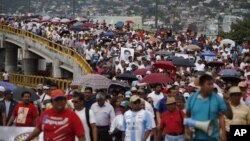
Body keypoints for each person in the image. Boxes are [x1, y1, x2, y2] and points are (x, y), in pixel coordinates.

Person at [185, 74, 233, 141]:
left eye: (212, 84)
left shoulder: (217, 98)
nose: (211, 86)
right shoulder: (192, 98)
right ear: (201, 85)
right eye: (209, 84)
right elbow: (187, 115)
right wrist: (187, 130)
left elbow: (223, 116)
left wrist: (223, 135)